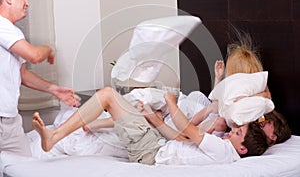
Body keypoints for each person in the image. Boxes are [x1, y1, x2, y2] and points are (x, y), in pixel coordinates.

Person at [32, 86, 269, 165]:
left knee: (107, 95)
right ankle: (65, 131)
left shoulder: (225, 151)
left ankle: (55, 136)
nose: (231, 132)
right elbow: (181, 140)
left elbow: (188, 130)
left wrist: (171, 102)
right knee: (126, 104)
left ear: (243, 149)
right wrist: (156, 119)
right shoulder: (223, 150)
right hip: (156, 145)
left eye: (237, 133)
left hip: (150, 152)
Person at [0, 0, 81, 156]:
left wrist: (54, 90)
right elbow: (35, 56)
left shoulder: (13, 32)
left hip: (10, 120)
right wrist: (49, 49)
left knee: (25, 168)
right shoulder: (1, 25)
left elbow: (22, 75)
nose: (27, 3)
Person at [190, 36, 291, 145]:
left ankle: (186, 131)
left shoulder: (257, 97)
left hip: (219, 119)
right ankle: (186, 130)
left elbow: (267, 96)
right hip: (217, 115)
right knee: (199, 99)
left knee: (207, 108)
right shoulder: (239, 90)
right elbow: (217, 101)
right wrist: (218, 78)